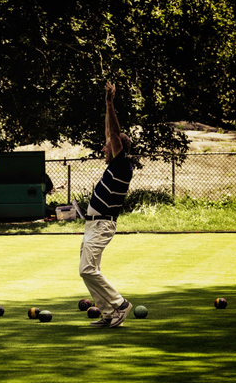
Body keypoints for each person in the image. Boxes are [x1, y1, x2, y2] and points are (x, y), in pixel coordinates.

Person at [79, 81, 134, 328]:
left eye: (108, 143)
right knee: (90, 270)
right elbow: (108, 131)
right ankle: (108, 314)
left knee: (87, 270)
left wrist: (111, 103)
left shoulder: (123, 164)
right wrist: (105, 103)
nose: (104, 145)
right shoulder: (114, 164)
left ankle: (120, 304)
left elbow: (113, 132)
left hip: (102, 225)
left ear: (117, 146)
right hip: (93, 225)